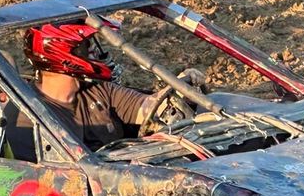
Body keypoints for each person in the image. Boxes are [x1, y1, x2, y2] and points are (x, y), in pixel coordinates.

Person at [20, 20, 201, 151]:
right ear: (64, 55)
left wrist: (182, 90)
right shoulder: (29, 115)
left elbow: (150, 106)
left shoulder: (100, 91)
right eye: (86, 46)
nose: (94, 52)